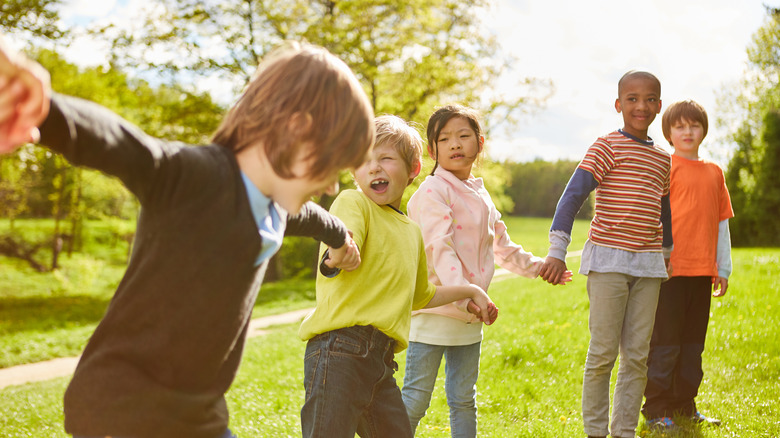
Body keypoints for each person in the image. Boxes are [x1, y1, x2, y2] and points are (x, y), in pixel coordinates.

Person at [0, 35, 376, 438]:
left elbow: (312, 218)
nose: (333, 186)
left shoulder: (276, 207)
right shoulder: (198, 177)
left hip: (196, 412)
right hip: (125, 405)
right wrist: (46, 110)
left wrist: (341, 239)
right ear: (297, 130)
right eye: (332, 165)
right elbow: (129, 149)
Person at [298, 115, 498, 438]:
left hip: (380, 362)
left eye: (386, 158)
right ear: (353, 171)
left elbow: (424, 295)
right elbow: (343, 240)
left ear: (413, 169)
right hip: (339, 353)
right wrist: (340, 251)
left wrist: (470, 290)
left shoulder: (411, 232)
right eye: (365, 161)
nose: (374, 168)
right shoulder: (354, 203)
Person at [399, 104, 571, 437]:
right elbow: (439, 249)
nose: (455, 144)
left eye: (464, 136)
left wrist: (539, 267)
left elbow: (502, 247)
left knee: (463, 399)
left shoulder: (479, 194)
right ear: (432, 149)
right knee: (416, 399)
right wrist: (468, 297)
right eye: (445, 138)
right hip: (433, 311)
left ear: (479, 143)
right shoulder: (433, 191)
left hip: (470, 315)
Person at [539, 70, 673, 438]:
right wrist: (557, 250)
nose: (640, 106)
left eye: (649, 99)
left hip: (648, 267)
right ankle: (596, 432)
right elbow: (572, 197)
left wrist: (667, 252)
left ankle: (623, 431)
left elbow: (664, 209)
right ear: (619, 104)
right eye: (632, 99)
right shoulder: (606, 146)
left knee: (637, 356)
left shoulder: (663, 159)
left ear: (659, 106)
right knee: (602, 355)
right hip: (608, 262)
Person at [641, 100, 733, 430]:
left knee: (693, 347)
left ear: (703, 131)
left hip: (701, 273)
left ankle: (685, 406)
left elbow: (722, 224)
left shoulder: (714, 172)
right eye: (679, 126)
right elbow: (653, 217)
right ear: (668, 133)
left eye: (693, 126)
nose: (687, 132)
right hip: (668, 273)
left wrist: (723, 268)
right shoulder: (665, 168)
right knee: (665, 345)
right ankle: (656, 410)